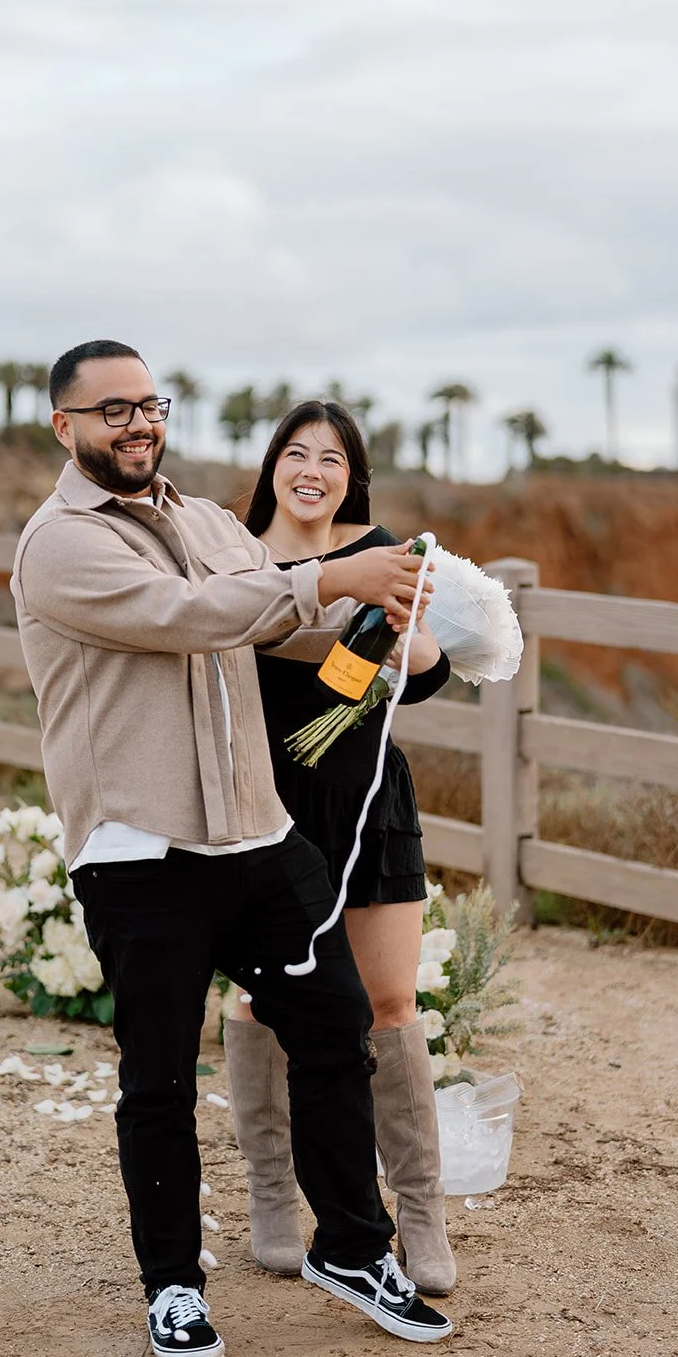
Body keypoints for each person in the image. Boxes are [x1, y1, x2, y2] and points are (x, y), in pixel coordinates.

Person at [11, 340, 453, 1357]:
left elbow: (277, 628)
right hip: (139, 846)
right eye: (109, 408)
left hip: (255, 834)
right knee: (157, 1075)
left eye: (147, 404)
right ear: (64, 427)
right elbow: (189, 617)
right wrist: (326, 575)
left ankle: (349, 1247)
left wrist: (384, 625)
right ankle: (172, 1285)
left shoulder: (207, 521)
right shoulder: (59, 544)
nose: (135, 423)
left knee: (338, 1021)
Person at [224, 399, 457, 1295]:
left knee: (389, 1002)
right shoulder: (235, 555)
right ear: (272, 467)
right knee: (257, 1003)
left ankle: (421, 1214)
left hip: (364, 799)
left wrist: (408, 625)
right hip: (259, 807)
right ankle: (275, 1198)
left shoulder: (384, 552)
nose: (311, 468)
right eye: (295, 452)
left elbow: (427, 672)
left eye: (330, 455)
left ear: (351, 474)